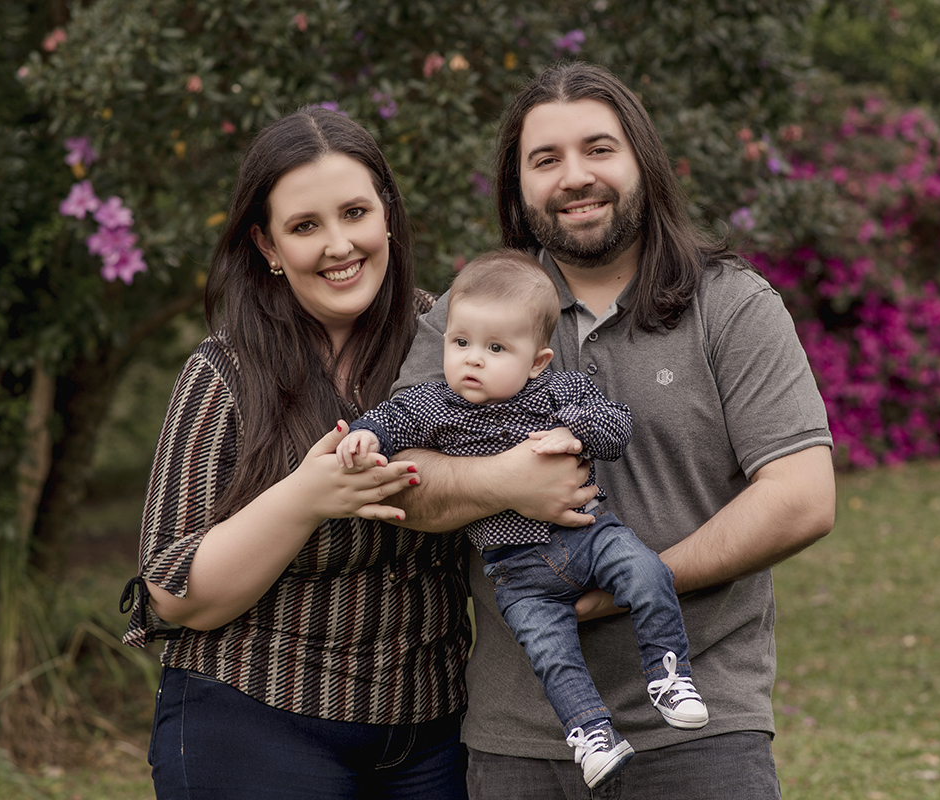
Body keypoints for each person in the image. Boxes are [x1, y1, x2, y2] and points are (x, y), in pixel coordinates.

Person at [388, 62, 837, 799]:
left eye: (599, 149)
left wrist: (634, 581)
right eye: (545, 159)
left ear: (641, 162)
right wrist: (505, 481)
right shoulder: (468, 320)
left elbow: (802, 496)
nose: (575, 176)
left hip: (704, 730)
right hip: (519, 740)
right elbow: (405, 485)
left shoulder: (731, 305)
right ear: (518, 184)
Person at [117, 106, 472, 799]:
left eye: (354, 213)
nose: (339, 245)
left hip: (433, 731)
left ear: (389, 217)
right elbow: (172, 586)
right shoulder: (226, 371)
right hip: (256, 719)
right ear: (268, 247)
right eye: (306, 227)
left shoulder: (449, 343)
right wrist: (304, 499)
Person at [337, 249, 708, 790]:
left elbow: (615, 426)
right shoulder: (435, 403)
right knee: (550, 652)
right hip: (515, 570)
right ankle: (591, 733)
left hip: (587, 536)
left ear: (536, 361)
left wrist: (575, 433)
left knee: (647, 574)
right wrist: (369, 434)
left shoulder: (558, 393)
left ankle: (668, 673)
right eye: (460, 343)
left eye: (495, 348)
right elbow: (393, 420)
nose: (472, 360)